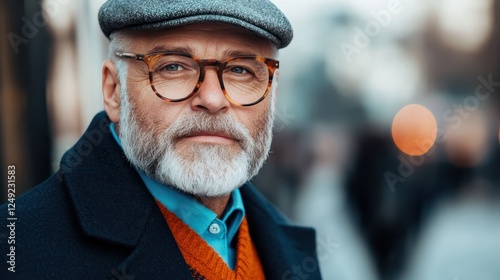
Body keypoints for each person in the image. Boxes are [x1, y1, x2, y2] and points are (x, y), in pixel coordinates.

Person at [0, 0, 321, 279]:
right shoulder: (16, 249)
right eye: (173, 66)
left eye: (241, 71)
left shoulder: (286, 245)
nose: (212, 99)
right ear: (113, 91)